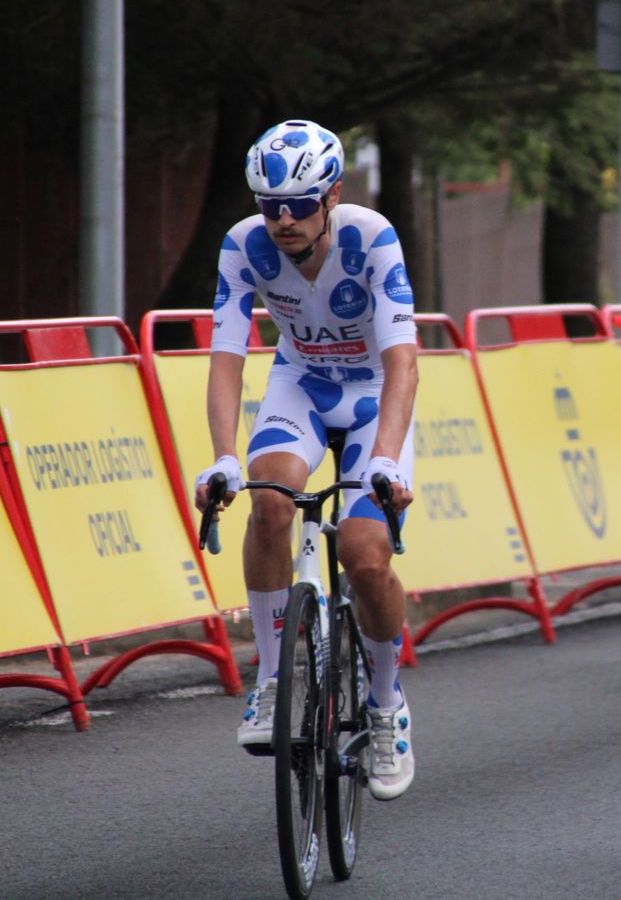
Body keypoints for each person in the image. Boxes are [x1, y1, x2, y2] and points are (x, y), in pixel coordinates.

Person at [194, 118, 419, 800]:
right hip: (302, 382)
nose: (282, 220)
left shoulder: (372, 238)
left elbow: (404, 363)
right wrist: (225, 456)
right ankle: (269, 680)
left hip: (376, 393)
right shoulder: (243, 245)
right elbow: (227, 359)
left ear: (331, 196)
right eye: (269, 206)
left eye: (297, 204)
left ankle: (385, 704)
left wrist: (385, 460)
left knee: (365, 554)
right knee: (267, 504)